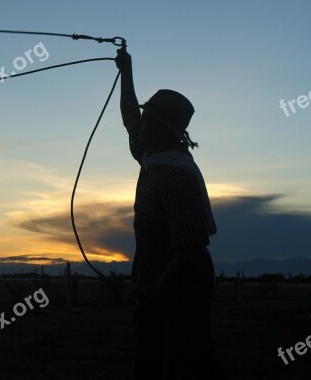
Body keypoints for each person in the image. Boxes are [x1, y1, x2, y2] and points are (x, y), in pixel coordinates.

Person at [115, 46, 226, 379]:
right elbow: (129, 117)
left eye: (148, 118)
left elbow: (191, 251)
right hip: (154, 296)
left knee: (183, 365)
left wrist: (155, 290)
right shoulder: (152, 156)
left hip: (180, 300)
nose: (140, 123)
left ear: (163, 129)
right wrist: (126, 71)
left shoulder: (176, 178)